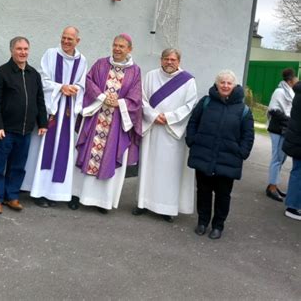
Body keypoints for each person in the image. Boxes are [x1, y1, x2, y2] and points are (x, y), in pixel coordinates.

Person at [72, 34, 142, 213]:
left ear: (129, 49)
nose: (117, 49)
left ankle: (103, 201)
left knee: (109, 156)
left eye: (121, 46)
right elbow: (88, 82)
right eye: (115, 45)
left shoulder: (135, 71)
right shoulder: (101, 64)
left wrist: (118, 102)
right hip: (96, 117)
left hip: (117, 122)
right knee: (87, 154)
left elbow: (136, 97)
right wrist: (103, 97)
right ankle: (78, 195)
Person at [22, 26, 87, 207]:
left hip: (68, 112)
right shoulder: (51, 54)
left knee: (64, 152)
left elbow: (83, 85)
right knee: (44, 151)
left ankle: (58, 193)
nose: (66, 41)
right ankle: (39, 192)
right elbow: (42, 79)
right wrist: (61, 88)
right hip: (52, 110)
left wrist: (75, 89)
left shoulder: (82, 60)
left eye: (70, 39)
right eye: (64, 38)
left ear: (77, 41)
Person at [186, 70, 254, 239]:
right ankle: (202, 222)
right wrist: (192, 140)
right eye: (222, 82)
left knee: (223, 195)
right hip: (204, 154)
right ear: (216, 84)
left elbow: (248, 135)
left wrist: (241, 153)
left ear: (234, 85)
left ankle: (218, 226)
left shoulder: (243, 110)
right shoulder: (206, 102)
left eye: (228, 83)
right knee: (203, 191)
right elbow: (193, 121)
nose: (225, 86)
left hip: (228, 159)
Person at [133, 48, 197, 222]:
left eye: (173, 59)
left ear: (179, 61)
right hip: (153, 128)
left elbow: (190, 105)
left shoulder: (188, 81)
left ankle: (166, 207)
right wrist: (153, 116)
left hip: (171, 134)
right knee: (148, 166)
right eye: (166, 59)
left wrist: (169, 118)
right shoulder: (151, 76)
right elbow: (142, 99)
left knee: (169, 171)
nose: (169, 62)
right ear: (161, 60)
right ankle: (143, 203)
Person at [0, 36, 47, 214]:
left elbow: (39, 100)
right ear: (12, 50)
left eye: (25, 49)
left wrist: (42, 122)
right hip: (5, 131)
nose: (23, 52)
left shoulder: (33, 74)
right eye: (19, 49)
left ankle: (12, 196)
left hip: (25, 131)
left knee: (18, 167)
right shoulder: (1, 73)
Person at [265, 68, 298, 202]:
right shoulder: (279, 92)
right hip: (278, 129)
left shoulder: (290, 92)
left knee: (281, 159)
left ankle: (273, 184)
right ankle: (272, 188)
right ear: (290, 80)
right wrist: (290, 120)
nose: (296, 80)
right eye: (295, 78)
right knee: (277, 159)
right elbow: (273, 110)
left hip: (286, 129)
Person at [282, 80, 301, 220]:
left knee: (297, 172)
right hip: (298, 141)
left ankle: (293, 203)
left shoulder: (298, 92)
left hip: (296, 140)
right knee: (298, 173)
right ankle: (292, 206)